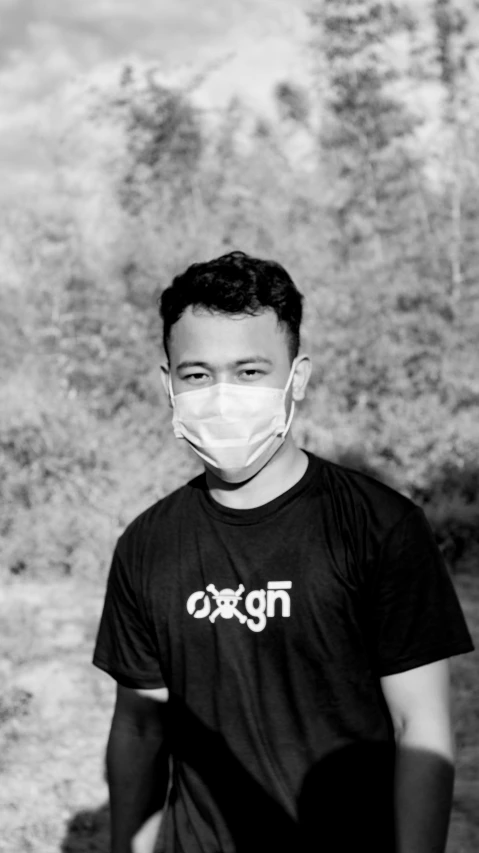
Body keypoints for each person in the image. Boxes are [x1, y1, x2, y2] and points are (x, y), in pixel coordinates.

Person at [92, 250, 474, 853]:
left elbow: (420, 728)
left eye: (249, 372)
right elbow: (140, 727)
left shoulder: (381, 527)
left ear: (296, 378)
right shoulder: (147, 544)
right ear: (167, 384)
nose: (222, 397)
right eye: (197, 374)